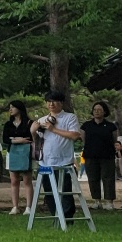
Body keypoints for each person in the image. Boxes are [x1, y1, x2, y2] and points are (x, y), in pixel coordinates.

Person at [32, 91, 84, 219]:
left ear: (61, 103)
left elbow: (75, 135)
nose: (51, 104)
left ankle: (67, 218)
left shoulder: (69, 117)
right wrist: (32, 131)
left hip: (63, 161)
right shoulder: (42, 120)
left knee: (65, 190)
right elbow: (37, 142)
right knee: (49, 192)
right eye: (49, 101)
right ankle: (55, 216)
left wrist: (53, 129)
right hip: (45, 161)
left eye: (54, 101)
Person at [79, 101, 119, 211]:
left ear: (104, 112)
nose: (97, 112)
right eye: (95, 110)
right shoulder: (86, 126)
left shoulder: (111, 126)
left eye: (99, 110)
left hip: (107, 156)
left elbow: (114, 139)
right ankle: (97, 201)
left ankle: (109, 201)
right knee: (93, 178)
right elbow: (84, 140)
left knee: (108, 178)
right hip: (90, 155)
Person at [3, 101, 35, 214]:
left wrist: (14, 139)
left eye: (13, 107)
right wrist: (18, 140)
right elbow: (5, 139)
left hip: (26, 152)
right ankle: (15, 206)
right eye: (10, 108)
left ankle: (28, 207)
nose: (10, 110)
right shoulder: (8, 124)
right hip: (12, 152)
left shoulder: (29, 123)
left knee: (27, 180)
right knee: (14, 180)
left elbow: (30, 138)